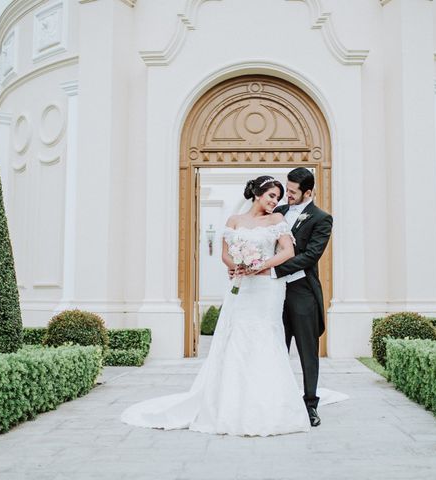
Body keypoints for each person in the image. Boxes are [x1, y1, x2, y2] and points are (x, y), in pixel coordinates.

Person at [121, 176, 311, 436]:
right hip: (243, 288)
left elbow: (288, 252)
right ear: (257, 194)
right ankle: (231, 403)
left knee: (266, 335)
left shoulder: (277, 221)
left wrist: (261, 265)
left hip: (268, 287)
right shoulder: (234, 221)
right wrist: (237, 267)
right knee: (238, 336)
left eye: (277, 198)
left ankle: (271, 405)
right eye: (271, 196)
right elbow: (225, 254)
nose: (274, 202)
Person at [272, 167, 332, 427]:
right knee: (275, 349)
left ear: (308, 192)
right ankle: (277, 401)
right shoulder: (278, 213)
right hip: (274, 295)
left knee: (308, 352)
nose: (288, 196)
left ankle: (310, 405)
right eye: (287, 190)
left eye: (294, 192)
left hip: (303, 293)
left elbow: (311, 256)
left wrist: (272, 269)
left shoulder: (321, 218)